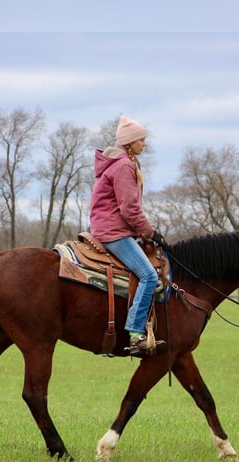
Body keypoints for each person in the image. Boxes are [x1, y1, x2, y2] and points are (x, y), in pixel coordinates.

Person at [89, 115, 166, 354]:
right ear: (130, 142)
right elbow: (129, 208)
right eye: (141, 139)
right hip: (113, 231)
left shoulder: (126, 162)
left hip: (115, 227)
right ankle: (135, 332)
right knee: (149, 276)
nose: (145, 143)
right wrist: (151, 232)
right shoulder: (123, 166)